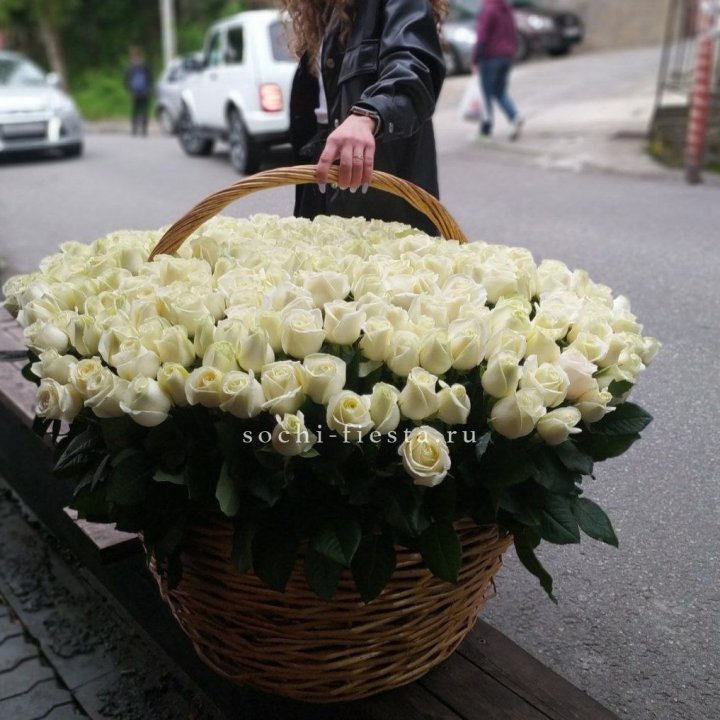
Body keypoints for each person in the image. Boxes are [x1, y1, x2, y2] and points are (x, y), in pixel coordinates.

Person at [283, 0, 447, 237]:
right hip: (326, 194)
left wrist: (367, 115)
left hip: (386, 205)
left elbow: (413, 68)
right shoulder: (325, 13)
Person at [471, 0, 523, 141]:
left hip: (491, 57)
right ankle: (514, 116)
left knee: (486, 95)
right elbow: (513, 32)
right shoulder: (507, 8)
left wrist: (476, 59)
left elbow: (482, 36)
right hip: (506, 56)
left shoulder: (488, 9)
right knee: (499, 91)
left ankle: (485, 130)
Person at [126, 47, 152, 137]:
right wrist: (149, 89)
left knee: (135, 111)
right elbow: (150, 78)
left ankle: (134, 129)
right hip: (144, 91)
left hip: (135, 92)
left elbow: (127, 79)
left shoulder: (131, 66)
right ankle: (144, 130)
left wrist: (129, 89)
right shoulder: (145, 65)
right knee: (144, 110)